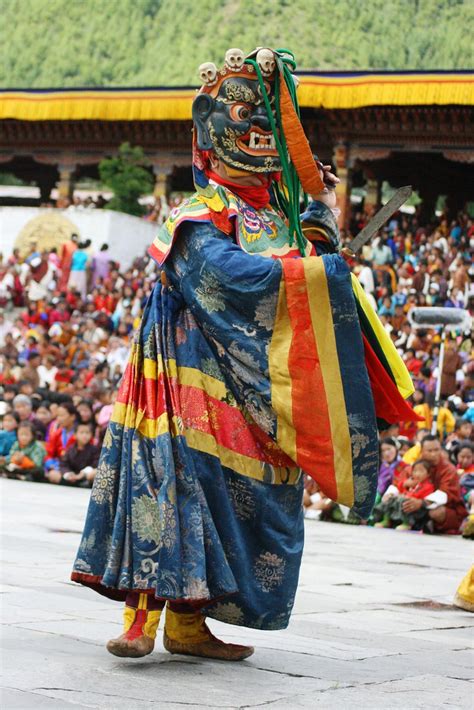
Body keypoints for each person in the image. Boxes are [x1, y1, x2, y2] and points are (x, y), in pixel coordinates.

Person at [70, 47, 416, 660]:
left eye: (268, 124)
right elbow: (220, 277)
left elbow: (310, 259)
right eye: (242, 116)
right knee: (173, 480)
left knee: (236, 492)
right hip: (183, 373)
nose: (259, 133)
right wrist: (307, 273)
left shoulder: (275, 215)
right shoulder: (200, 212)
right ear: (210, 129)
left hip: (250, 384)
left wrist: (316, 221)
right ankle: (140, 619)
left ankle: (189, 624)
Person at [404, 434, 467, 534]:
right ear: (422, 452)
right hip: (416, 502)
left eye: (437, 450)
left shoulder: (448, 469)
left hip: (445, 509)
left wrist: (422, 503)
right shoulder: (417, 465)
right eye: (430, 451)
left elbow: (445, 493)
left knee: (437, 512)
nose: (434, 454)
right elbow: (402, 481)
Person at [374, 459, 435, 531]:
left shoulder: (428, 486)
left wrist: (407, 495)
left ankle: (407, 523)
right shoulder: (411, 482)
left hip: (416, 509)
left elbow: (420, 497)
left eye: (421, 471)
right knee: (391, 498)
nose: (417, 474)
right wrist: (405, 484)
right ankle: (385, 520)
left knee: (405, 500)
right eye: (415, 471)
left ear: (428, 474)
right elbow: (400, 489)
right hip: (403, 503)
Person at [54, 422, 100, 487]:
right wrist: (68, 473)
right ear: (75, 435)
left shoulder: (94, 450)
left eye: (87, 433)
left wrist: (83, 473)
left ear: (91, 435)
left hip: (86, 477)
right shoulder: (70, 449)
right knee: (54, 474)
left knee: (92, 474)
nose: (85, 435)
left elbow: (96, 464)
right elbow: (63, 464)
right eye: (81, 432)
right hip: (72, 476)